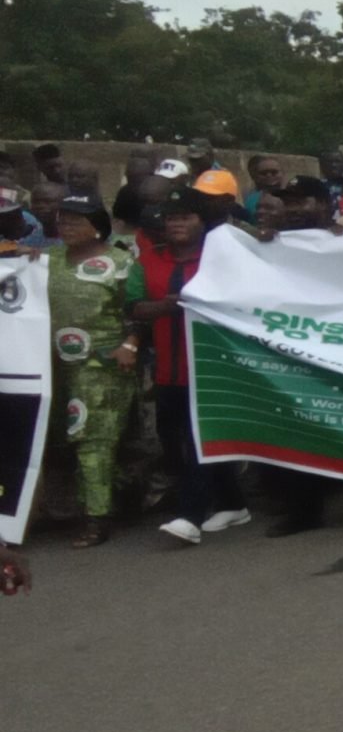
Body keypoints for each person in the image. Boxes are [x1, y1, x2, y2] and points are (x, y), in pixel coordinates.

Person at [127, 185, 249, 544]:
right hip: (168, 370)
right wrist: (170, 304)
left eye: (185, 217)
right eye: (171, 218)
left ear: (201, 222)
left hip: (213, 368)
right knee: (174, 441)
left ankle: (190, 516)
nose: (176, 224)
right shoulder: (148, 261)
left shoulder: (223, 258)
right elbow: (134, 306)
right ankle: (233, 503)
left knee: (201, 440)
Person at [48, 193, 137, 549]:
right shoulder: (48, 259)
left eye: (75, 220)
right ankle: (117, 498)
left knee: (93, 439)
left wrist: (129, 344)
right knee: (66, 441)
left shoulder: (119, 261)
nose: (65, 226)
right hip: (53, 366)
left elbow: (134, 307)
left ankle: (97, 518)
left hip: (103, 363)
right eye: (62, 220)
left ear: (96, 226)